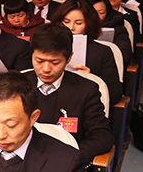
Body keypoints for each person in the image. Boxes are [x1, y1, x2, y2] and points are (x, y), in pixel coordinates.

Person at [24, 24, 113, 161]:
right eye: (39, 61)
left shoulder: (85, 90)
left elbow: (102, 135)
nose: (46, 69)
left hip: (64, 161)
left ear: (69, 58)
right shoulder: (17, 85)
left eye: (55, 62)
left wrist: (70, 157)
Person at [51, 0, 122, 107]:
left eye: (78, 23)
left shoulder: (102, 52)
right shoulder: (47, 47)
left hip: (86, 106)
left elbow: (115, 93)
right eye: (66, 22)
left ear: (88, 24)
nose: (71, 28)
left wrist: (92, 78)